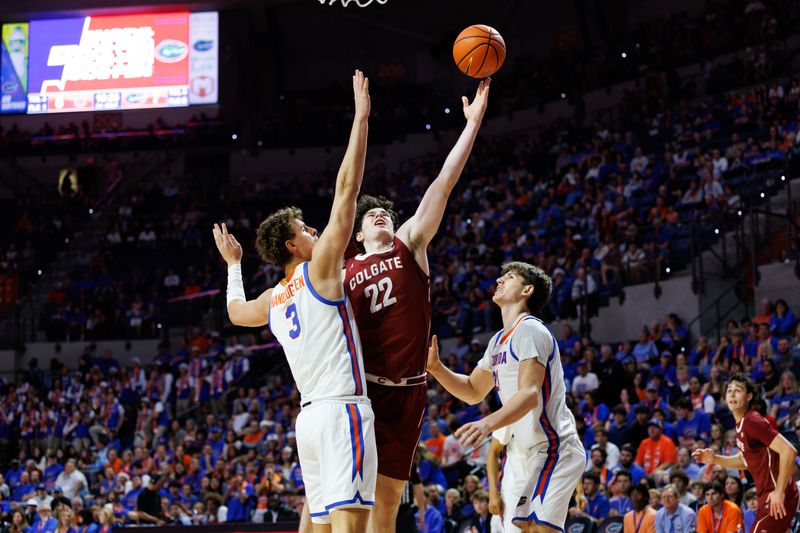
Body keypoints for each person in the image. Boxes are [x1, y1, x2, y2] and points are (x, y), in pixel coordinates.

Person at [213, 70, 375, 532]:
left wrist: (232, 266)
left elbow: (233, 313)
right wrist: (361, 118)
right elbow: (347, 191)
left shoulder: (271, 298)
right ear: (292, 247)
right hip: (342, 410)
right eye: (306, 230)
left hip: (308, 421)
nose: (316, 232)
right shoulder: (320, 268)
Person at [344, 79, 491, 533]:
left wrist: (472, 126)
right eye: (371, 216)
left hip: (408, 390)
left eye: (385, 212)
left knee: (387, 503)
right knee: (353, 503)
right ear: (358, 234)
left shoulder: (409, 243)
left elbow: (443, 183)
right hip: (362, 390)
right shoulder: (344, 266)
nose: (381, 215)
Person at [426, 262, 586, 533]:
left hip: (556, 447)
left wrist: (487, 424)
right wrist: (437, 369)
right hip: (532, 452)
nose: (499, 279)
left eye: (509, 277)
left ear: (527, 290)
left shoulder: (530, 330)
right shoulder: (498, 340)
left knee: (538, 529)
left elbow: (529, 394)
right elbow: (473, 391)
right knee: (525, 529)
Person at [693, 373, 799, 533]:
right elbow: (745, 461)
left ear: (749, 396)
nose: (732, 394)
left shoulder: (752, 421)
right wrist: (715, 459)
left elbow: (789, 451)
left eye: (738, 390)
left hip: (776, 496)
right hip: (768, 496)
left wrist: (779, 491)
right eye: (729, 390)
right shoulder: (742, 424)